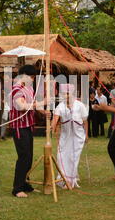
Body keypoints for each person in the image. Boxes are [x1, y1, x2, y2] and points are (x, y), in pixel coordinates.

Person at [9, 65, 49, 198]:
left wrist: (43, 112)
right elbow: (21, 106)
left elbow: (32, 105)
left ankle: (25, 184)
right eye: (31, 77)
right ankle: (17, 188)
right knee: (23, 157)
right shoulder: (16, 89)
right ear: (23, 75)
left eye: (33, 77)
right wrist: (42, 102)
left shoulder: (29, 88)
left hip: (28, 125)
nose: (32, 79)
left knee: (29, 157)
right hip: (19, 127)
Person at [51, 84, 88, 189]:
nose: (66, 96)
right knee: (61, 156)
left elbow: (85, 121)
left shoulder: (80, 105)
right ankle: (63, 178)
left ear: (72, 94)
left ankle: (70, 180)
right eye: (64, 94)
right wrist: (51, 127)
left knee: (73, 157)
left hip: (78, 136)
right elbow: (55, 119)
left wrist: (86, 135)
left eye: (68, 93)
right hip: (65, 136)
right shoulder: (60, 106)